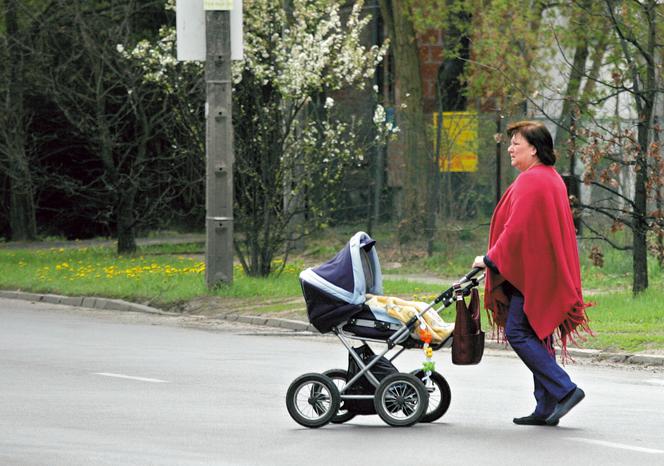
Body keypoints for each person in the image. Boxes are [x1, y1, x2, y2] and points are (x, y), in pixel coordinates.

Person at [472, 120, 592, 427]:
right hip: (541, 271)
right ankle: (546, 405)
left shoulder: (531, 180)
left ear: (534, 149)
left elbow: (517, 229)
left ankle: (564, 389)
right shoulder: (549, 179)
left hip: (531, 274)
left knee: (518, 332)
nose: (510, 148)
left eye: (516, 143)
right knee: (538, 333)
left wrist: (490, 258)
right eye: (511, 142)